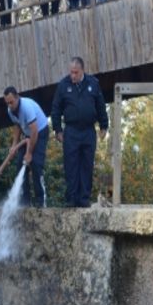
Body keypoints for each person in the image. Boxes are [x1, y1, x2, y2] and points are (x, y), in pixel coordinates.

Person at [50, 57, 109, 208]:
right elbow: (56, 108)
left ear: (82, 70)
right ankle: (71, 199)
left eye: (76, 72)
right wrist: (57, 129)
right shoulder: (63, 85)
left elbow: (101, 105)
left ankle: (84, 199)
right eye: (71, 72)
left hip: (89, 131)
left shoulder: (93, 84)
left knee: (87, 165)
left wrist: (104, 125)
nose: (73, 75)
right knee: (71, 165)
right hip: (71, 131)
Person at [5, 86, 50, 207]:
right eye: (7, 103)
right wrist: (14, 145)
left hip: (40, 132)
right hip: (28, 134)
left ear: (17, 97)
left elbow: (34, 131)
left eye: (11, 102)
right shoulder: (10, 111)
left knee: (35, 164)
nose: (10, 105)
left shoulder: (26, 107)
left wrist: (29, 153)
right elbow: (17, 126)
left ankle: (41, 202)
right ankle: (26, 203)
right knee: (20, 164)